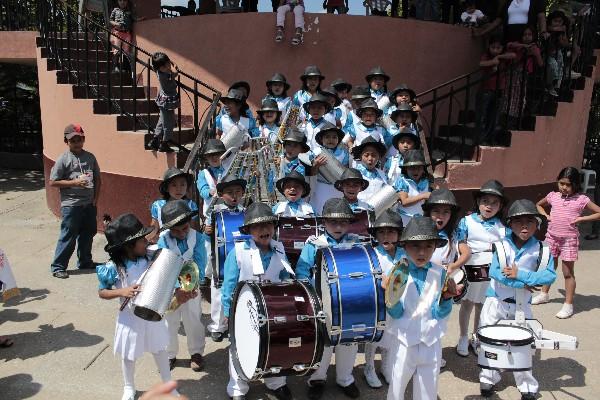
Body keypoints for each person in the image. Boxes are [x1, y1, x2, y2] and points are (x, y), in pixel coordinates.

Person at [478, 199, 556, 400]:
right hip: (495, 301)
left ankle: (527, 386)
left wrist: (521, 275)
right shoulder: (501, 246)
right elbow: (496, 272)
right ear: (510, 224)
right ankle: (488, 378)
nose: (524, 226)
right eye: (519, 221)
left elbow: (549, 276)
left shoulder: (542, 249)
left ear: (537, 224)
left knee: (523, 344)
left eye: (530, 221)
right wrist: (524, 284)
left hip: (522, 305)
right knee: (489, 341)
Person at [96, 214, 179, 400]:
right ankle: (129, 387)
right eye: (141, 240)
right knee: (128, 354)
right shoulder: (113, 268)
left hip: (152, 313)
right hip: (129, 318)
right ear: (128, 246)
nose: (146, 242)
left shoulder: (151, 257)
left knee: (159, 349)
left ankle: (168, 384)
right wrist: (121, 291)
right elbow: (102, 292)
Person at [221, 202, 295, 400]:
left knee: (275, 345)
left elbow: (285, 277)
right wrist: (228, 313)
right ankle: (238, 388)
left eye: (269, 225)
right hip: (243, 309)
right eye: (258, 226)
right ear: (248, 230)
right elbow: (228, 286)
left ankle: (276, 382)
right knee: (240, 346)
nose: (264, 230)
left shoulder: (279, 249)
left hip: (273, 309)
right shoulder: (237, 252)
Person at [386, 217, 460, 400]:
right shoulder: (398, 272)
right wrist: (391, 299)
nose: (422, 252)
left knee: (428, 386)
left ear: (435, 247)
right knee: (397, 384)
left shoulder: (440, 273)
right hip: (405, 339)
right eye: (415, 246)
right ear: (404, 246)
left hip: (431, 338)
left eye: (428, 246)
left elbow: (439, 313)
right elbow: (395, 312)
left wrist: (446, 299)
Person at [296, 198, 363, 400]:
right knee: (323, 343)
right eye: (333, 222)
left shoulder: (356, 242)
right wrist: (309, 300)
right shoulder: (314, 243)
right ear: (323, 222)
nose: (338, 226)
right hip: (321, 301)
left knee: (348, 343)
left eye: (343, 222)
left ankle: (345, 378)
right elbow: (302, 272)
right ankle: (317, 379)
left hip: (349, 302)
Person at [533, 167, 600, 318]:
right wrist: (546, 215)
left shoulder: (582, 199)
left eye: (568, 184)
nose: (564, 187)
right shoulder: (553, 196)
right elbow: (538, 205)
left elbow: (598, 212)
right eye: (561, 183)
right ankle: (544, 294)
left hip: (569, 240)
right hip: (551, 237)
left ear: (576, 184)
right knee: (549, 267)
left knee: (568, 273)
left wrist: (582, 219)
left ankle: (568, 304)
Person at [455, 179, 507, 356]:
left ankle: (477, 336)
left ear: (500, 206)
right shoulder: (467, 221)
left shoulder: (502, 227)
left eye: (494, 203)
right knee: (468, 303)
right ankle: (462, 336)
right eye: (485, 201)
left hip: (491, 272)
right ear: (478, 202)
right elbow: (460, 242)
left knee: (483, 306)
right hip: (471, 268)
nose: (489, 206)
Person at [422, 188, 471, 369]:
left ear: (452, 214)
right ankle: (420, 354)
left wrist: (454, 265)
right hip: (423, 282)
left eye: (445, 212)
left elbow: (466, 252)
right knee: (422, 319)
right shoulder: (420, 229)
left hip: (443, 285)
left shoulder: (455, 233)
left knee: (439, 321)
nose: (440, 216)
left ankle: (435, 354)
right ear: (428, 212)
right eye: (436, 211)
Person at [157, 200, 206, 372]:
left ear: (190, 223)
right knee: (169, 320)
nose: (181, 233)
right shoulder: (163, 240)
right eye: (175, 231)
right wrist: (176, 288)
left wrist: (192, 286)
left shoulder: (198, 238)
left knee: (193, 319)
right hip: (171, 287)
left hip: (192, 287)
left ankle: (196, 352)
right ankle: (170, 355)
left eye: (184, 228)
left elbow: (200, 262)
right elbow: (164, 265)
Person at [49, 124, 101, 279]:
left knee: (88, 233)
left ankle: (85, 261)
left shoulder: (90, 157)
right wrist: (74, 183)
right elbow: (53, 182)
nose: (78, 143)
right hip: (71, 205)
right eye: (74, 140)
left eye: (80, 139)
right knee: (69, 235)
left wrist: (96, 199)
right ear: (66, 141)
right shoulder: (63, 159)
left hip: (89, 204)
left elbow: (98, 179)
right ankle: (58, 266)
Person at [363, 210, 405, 388]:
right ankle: (369, 367)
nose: (386, 236)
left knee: (393, 335)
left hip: (398, 302)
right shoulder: (371, 253)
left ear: (399, 234)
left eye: (391, 232)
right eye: (381, 232)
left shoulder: (405, 253)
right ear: (376, 235)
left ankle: (386, 366)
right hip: (377, 302)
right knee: (375, 336)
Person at [204, 175, 247, 342]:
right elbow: (208, 237)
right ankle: (218, 326)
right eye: (230, 192)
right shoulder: (215, 213)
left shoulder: (246, 212)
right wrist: (208, 232)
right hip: (221, 259)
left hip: (240, 258)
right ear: (221, 195)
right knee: (219, 292)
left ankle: (237, 322)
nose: (234, 196)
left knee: (239, 289)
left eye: (238, 192)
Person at [475, 35, 516, 145]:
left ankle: (490, 138)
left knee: (494, 116)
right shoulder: (487, 56)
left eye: (498, 48)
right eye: (493, 47)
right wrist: (493, 61)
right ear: (489, 47)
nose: (495, 50)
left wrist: (499, 57)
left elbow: (514, 55)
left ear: (502, 48)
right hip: (486, 89)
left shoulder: (503, 58)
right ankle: (480, 139)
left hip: (499, 90)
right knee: (482, 115)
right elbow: (481, 63)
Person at [149, 168, 198, 242]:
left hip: (187, 244)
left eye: (182, 185)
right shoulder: (157, 206)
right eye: (174, 185)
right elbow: (154, 228)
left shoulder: (191, 205)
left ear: (187, 187)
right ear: (166, 188)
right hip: (165, 244)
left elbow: (193, 229)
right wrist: (151, 239)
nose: (179, 189)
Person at [309, 122, 350, 213]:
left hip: (338, 189)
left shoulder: (344, 153)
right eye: (327, 137)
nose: (330, 139)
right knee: (320, 210)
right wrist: (315, 166)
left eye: (334, 137)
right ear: (321, 139)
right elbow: (312, 174)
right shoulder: (316, 153)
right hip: (321, 188)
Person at [474, 0, 548, 44]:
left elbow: (541, 16)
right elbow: (498, 21)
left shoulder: (536, 1)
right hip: (509, 41)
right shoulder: (509, 2)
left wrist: (543, 31)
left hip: (527, 40)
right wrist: (482, 33)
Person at [148, 52, 180, 153]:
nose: (167, 67)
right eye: (164, 66)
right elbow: (176, 73)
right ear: (159, 68)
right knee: (169, 122)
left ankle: (155, 140)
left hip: (163, 99)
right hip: (167, 101)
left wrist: (169, 63)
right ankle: (165, 143)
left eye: (167, 64)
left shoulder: (158, 72)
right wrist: (173, 65)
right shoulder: (166, 74)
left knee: (162, 119)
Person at [393, 149, 431, 226]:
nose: (416, 171)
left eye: (419, 167)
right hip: (404, 219)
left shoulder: (426, 182)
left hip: (420, 219)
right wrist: (423, 196)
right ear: (406, 169)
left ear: (423, 169)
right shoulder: (402, 181)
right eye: (412, 168)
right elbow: (404, 202)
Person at [351, 136, 389, 202]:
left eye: (374, 155)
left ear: (379, 157)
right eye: (366, 155)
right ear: (360, 156)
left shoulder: (383, 175)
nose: (370, 159)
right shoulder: (353, 173)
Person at [196, 139, 227, 218]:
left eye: (217, 154)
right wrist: (210, 192)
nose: (214, 157)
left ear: (223, 155)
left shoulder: (228, 169)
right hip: (211, 213)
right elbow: (203, 190)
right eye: (210, 155)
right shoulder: (203, 173)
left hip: (229, 210)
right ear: (206, 157)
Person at [109, 0, 141, 72]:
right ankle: (115, 67)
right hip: (118, 33)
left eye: (124, 1)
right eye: (120, 0)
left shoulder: (129, 11)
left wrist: (140, 19)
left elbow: (134, 19)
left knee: (126, 51)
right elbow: (110, 20)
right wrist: (115, 24)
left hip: (127, 33)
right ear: (117, 1)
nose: (122, 2)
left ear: (127, 2)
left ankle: (125, 67)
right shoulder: (115, 10)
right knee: (117, 50)